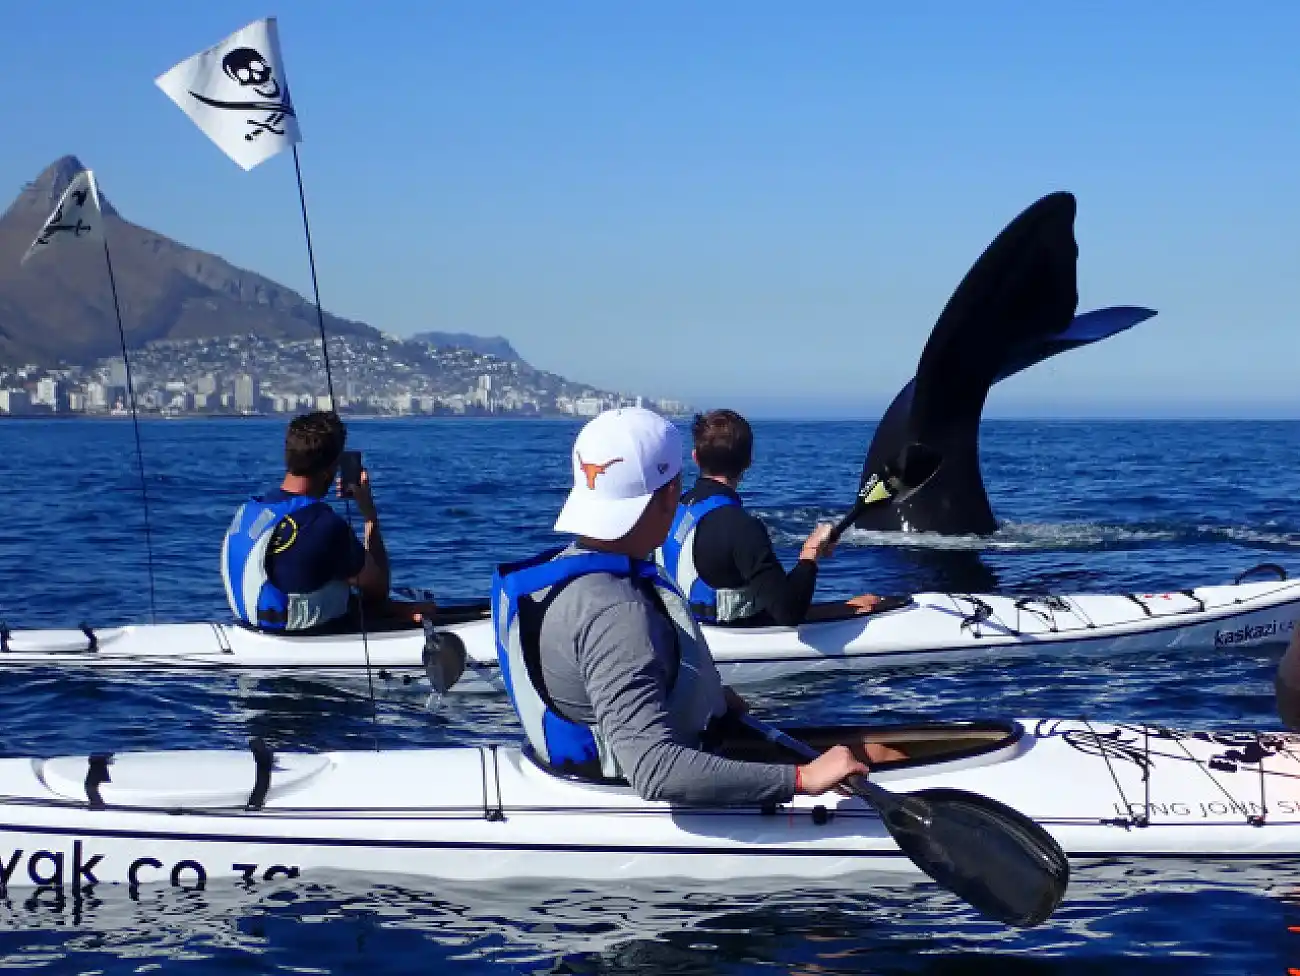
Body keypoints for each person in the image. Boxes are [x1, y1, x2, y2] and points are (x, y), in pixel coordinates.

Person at [489, 405, 904, 806]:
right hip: (625, 791)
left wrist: (706, 698)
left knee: (876, 752)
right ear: (670, 492)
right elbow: (655, 770)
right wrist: (802, 779)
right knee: (879, 755)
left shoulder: (560, 574)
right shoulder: (618, 611)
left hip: (574, 769)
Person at [656, 408, 881, 627]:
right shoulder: (742, 527)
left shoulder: (669, 510)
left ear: (695, 458)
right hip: (731, 636)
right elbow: (789, 612)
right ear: (748, 462)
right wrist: (810, 552)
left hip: (682, 624)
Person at [221, 409, 436, 633]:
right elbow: (377, 588)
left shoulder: (247, 512)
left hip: (252, 628)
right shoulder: (321, 524)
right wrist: (369, 515)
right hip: (302, 640)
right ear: (330, 469)